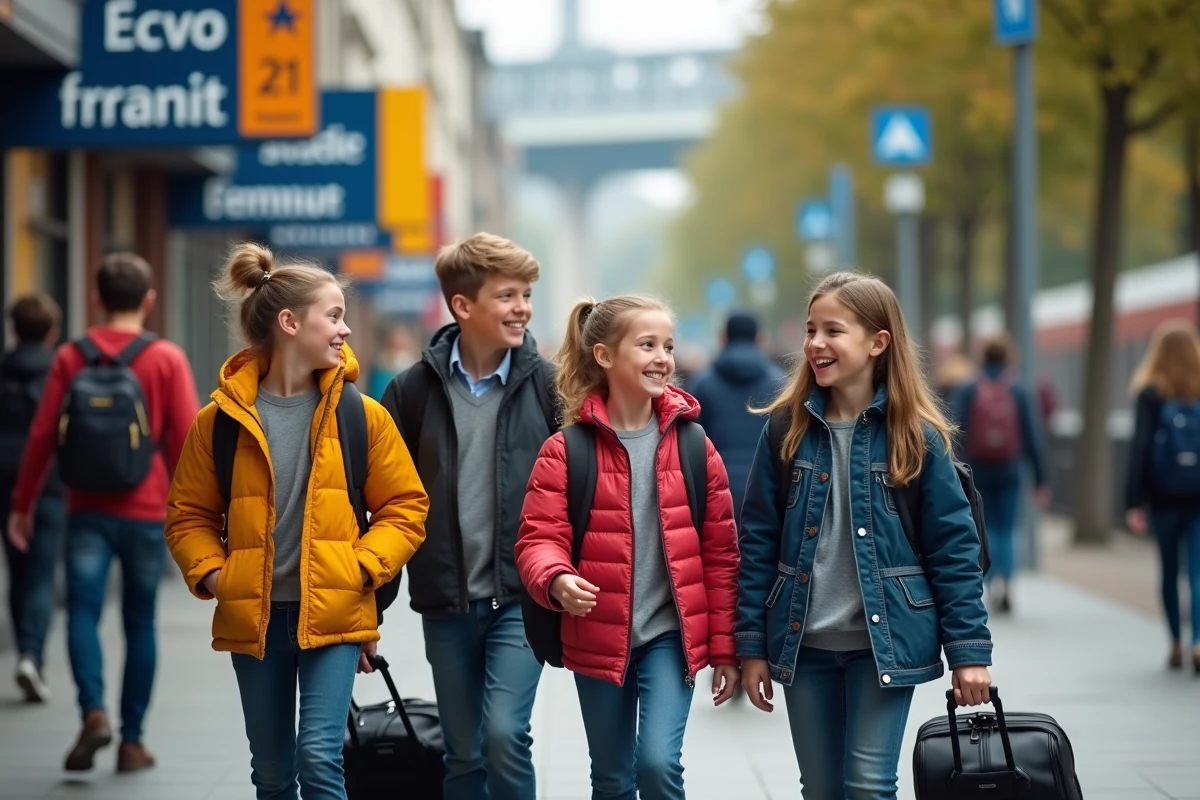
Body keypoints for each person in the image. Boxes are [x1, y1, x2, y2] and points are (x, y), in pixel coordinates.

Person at [165, 242, 428, 800]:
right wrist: (217, 577)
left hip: (334, 613)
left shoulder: (362, 414)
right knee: (273, 772)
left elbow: (406, 507)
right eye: (333, 316)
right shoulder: (219, 422)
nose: (346, 330)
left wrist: (359, 569)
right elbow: (187, 514)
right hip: (254, 621)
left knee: (320, 759)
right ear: (289, 322)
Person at [737, 271, 993, 799]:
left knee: (870, 786)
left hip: (884, 644)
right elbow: (758, 540)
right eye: (810, 330)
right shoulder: (786, 428)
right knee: (822, 790)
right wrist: (751, 645)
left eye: (833, 330)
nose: (815, 344)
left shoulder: (916, 436)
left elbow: (954, 549)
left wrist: (970, 652)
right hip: (803, 644)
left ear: (879, 342)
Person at [516, 295, 740, 800]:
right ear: (604, 356)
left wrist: (726, 648)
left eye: (668, 345)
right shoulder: (566, 449)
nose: (663, 357)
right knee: (612, 778)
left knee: (659, 765)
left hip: (669, 636)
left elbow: (722, 557)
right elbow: (538, 537)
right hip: (597, 635)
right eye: (647, 345)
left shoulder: (693, 444)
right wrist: (555, 577)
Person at [380, 233, 557, 800]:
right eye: (508, 296)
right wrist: (368, 612)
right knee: (463, 755)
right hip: (446, 603)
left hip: (521, 600)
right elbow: (383, 507)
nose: (522, 308)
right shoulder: (411, 391)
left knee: (505, 735)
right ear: (463, 305)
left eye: (527, 295)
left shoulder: (551, 388)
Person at [6, 253, 199, 773]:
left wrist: (22, 505)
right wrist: (200, 515)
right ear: (149, 301)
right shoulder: (166, 358)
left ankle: (93, 712)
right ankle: (132, 741)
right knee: (141, 621)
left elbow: (43, 434)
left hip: (85, 507)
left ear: (96, 298)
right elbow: (186, 442)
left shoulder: (71, 356)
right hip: (146, 510)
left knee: (84, 612)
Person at [0, 294, 67, 703]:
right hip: (52, 485)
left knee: (17, 572)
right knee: (43, 574)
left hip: (5, 483)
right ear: (51, 333)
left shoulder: (2, 370)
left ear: (13, 329)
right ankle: (31, 654)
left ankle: (25, 653)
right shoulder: (60, 372)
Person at [953, 334, 1049, 613]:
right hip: (1010, 469)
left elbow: (955, 430)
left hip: (977, 469)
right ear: (1008, 357)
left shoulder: (969, 387)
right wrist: (1041, 479)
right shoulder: (1019, 389)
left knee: (983, 526)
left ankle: (989, 580)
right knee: (1007, 527)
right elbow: (1033, 435)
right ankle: (1007, 582)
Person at [1124, 319, 1200, 673]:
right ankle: (1198, 640)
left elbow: (1140, 447)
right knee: (1198, 573)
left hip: (1164, 496)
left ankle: (1174, 642)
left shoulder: (1151, 391)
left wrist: (1133, 501)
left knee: (1170, 571)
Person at [690, 311, 783, 516]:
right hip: (768, 488)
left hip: (714, 487)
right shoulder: (781, 384)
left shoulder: (702, 384)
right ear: (760, 339)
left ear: (723, 338)